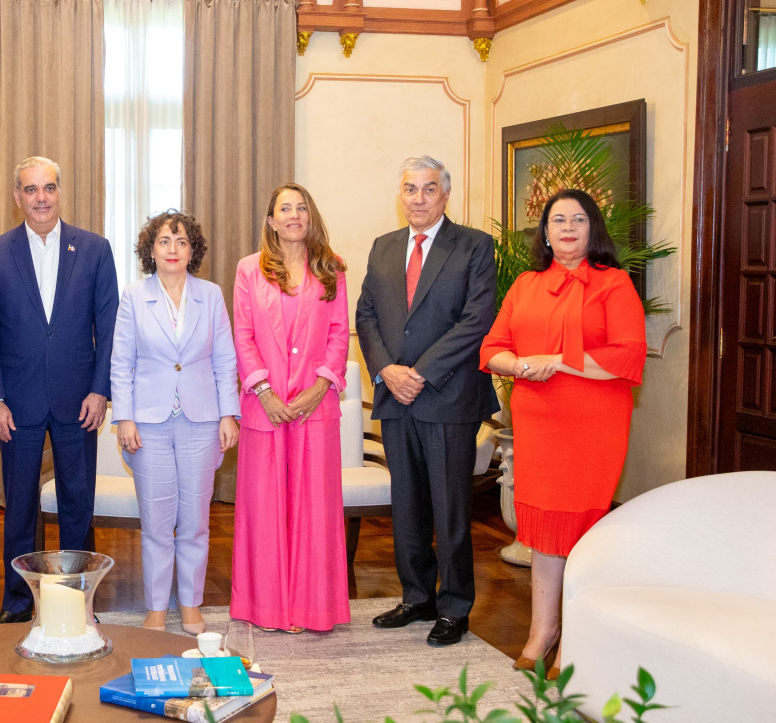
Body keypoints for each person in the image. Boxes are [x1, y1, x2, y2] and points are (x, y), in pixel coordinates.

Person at [481, 188, 646, 672]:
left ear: (592, 228)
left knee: (580, 529)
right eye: (558, 220)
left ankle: (579, 639)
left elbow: (626, 356)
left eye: (578, 219)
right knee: (545, 530)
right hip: (539, 423)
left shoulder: (614, 283)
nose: (568, 227)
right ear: (546, 233)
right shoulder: (526, 285)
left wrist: (555, 361)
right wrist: (520, 364)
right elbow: (493, 348)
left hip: (594, 422)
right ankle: (541, 633)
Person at [355, 155, 498, 646]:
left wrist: (421, 372)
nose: (418, 198)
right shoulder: (383, 247)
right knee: (408, 505)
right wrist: (387, 370)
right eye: (410, 189)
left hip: (448, 395)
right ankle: (418, 597)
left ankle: (455, 606)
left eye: (428, 189)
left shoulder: (475, 246)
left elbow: (476, 319)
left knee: (449, 506)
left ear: (445, 195)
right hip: (395, 397)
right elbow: (367, 316)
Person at [0, 157, 119, 623]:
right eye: (31, 189)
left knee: (78, 503)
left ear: (60, 192)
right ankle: (18, 604)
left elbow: (109, 326)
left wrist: (101, 391)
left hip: (80, 401)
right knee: (18, 507)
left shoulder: (94, 249)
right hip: (15, 403)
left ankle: (76, 602)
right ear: (17, 196)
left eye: (49, 188)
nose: (41, 197)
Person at [110, 210, 240, 635]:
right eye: (165, 241)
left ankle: (190, 605)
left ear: (192, 250)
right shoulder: (133, 295)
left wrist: (228, 413)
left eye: (181, 241)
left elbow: (224, 359)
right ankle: (154, 608)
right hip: (147, 423)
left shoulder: (211, 294)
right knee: (157, 524)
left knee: (196, 522)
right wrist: (124, 418)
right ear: (151, 249)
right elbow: (121, 362)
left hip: (202, 422)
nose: (173, 249)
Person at [230, 183, 351, 634]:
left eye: (302, 207)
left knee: (314, 509)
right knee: (264, 510)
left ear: (310, 216)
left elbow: (339, 333)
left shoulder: (333, 269)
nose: (294, 215)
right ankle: (266, 608)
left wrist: (322, 385)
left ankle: (310, 608)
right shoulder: (248, 270)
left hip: (315, 407)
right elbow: (243, 334)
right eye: (285, 208)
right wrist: (263, 391)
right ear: (271, 220)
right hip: (266, 407)